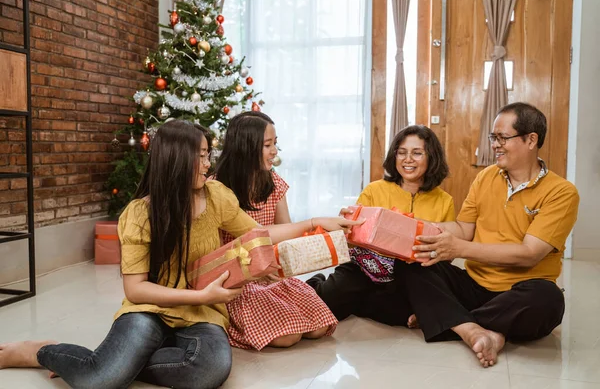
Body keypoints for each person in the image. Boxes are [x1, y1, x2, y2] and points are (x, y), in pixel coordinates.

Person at [0, 120, 362, 389]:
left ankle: (121, 362)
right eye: (201, 156)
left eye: (208, 155)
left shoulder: (217, 196)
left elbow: (258, 233)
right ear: (177, 158)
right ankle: (41, 350)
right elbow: (136, 290)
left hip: (203, 312)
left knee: (209, 372)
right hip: (151, 309)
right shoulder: (140, 214)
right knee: (101, 381)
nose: (208, 164)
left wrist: (315, 222)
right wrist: (200, 294)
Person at [403, 102, 579, 368]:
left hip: (520, 291)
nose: (495, 144)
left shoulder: (561, 192)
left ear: (531, 140)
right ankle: (478, 330)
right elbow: (464, 229)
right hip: (474, 284)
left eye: (502, 138)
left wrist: (459, 249)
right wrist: (416, 224)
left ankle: (450, 319)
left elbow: (528, 254)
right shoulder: (486, 177)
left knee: (549, 300)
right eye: (493, 137)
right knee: (417, 265)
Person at [213, 111, 338, 350]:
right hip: (238, 280)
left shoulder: (273, 181)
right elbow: (225, 248)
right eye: (267, 145)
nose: (274, 151)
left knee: (319, 327)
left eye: (275, 143)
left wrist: (278, 267)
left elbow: (285, 232)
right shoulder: (218, 188)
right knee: (287, 337)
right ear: (246, 147)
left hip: (270, 273)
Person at [308, 125, 454, 327]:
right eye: (401, 153)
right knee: (324, 309)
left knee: (406, 315)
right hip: (363, 266)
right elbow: (351, 237)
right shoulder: (375, 189)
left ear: (432, 157)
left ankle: (360, 302)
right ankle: (318, 282)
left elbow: (446, 253)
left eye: (417, 153)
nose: (407, 159)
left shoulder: (444, 200)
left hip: (409, 274)